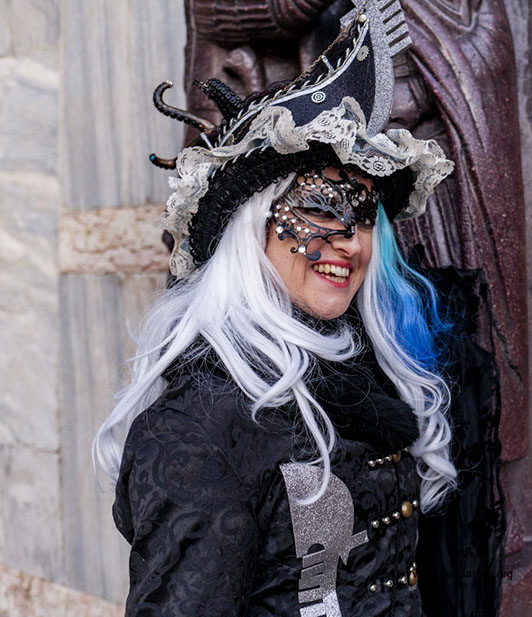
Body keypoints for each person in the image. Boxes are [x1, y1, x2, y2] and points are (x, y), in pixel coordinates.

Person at [92, 5, 458, 616]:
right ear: (251, 229)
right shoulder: (198, 426)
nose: (351, 242)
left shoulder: (364, 375)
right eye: (321, 209)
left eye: (364, 217)